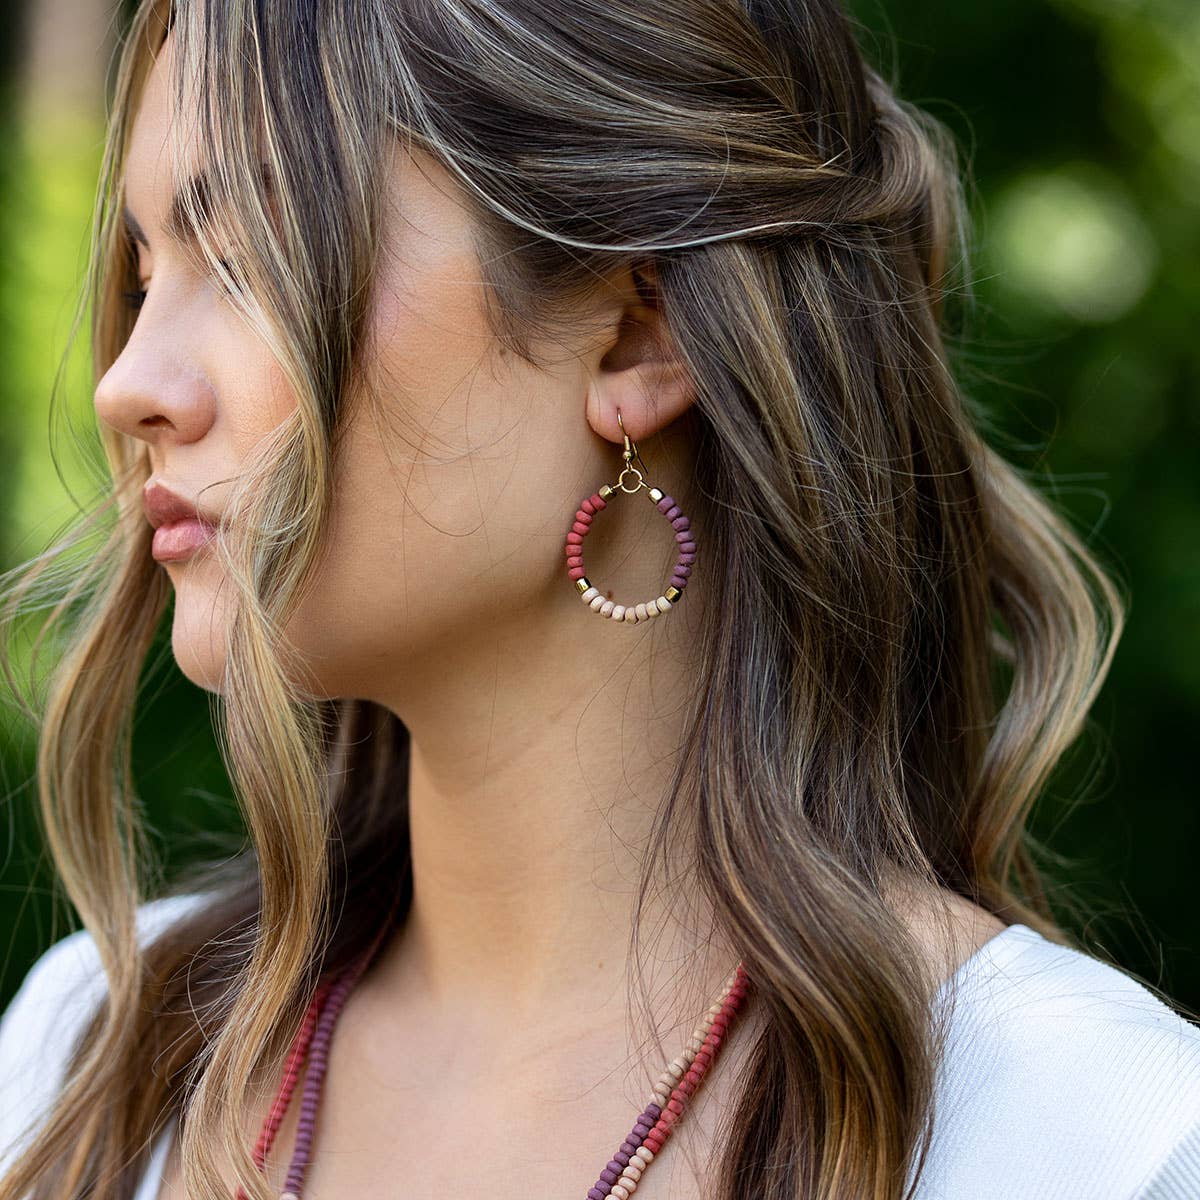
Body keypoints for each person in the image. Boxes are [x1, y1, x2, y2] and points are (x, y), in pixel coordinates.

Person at [0, 0, 1197, 1197]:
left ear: (638, 335)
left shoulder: (1091, 1140)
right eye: (144, 277)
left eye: (250, 262)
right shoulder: (92, 1060)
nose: (127, 384)